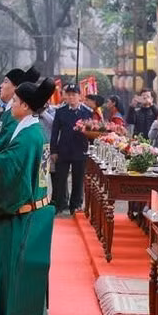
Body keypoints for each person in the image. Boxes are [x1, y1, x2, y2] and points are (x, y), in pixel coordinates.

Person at [0, 78, 57, 315]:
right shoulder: (30, 129)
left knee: (20, 266)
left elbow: (11, 165)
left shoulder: (29, 135)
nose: (11, 103)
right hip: (35, 206)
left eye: (15, 100)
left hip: (26, 212)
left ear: (24, 105)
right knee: (22, 267)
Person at [0, 65, 40, 266]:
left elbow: (8, 149)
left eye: (5, 82)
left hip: (8, 184)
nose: (1, 85)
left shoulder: (21, 123)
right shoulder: (12, 114)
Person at [50, 83, 92, 216]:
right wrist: (53, 151)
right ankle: (60, 204)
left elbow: (92, 133)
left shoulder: (87, 112)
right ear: (65, 97)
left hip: (80, 150)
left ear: (80, 96)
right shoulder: (60, 111)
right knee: (60, 179)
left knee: (78, 179)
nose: (71, 97)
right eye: (68, 95)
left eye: (74, 95)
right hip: (63, 150)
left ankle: (76, 205)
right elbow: (55, 132)